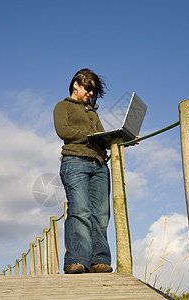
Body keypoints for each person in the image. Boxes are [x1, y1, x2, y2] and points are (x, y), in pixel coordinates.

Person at [53, 68, 113, 274]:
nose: (90, 93)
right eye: (88, 88)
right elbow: (63, 130)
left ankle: (99, 260)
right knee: (79, 211)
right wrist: (90, 135)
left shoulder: (93, 112)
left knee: (101, 214)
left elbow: (102, 137)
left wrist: (121, 139)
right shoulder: (63, 106)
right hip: (74, 162)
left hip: (99, 165)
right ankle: (77, 260)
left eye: (93, 91)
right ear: (76, 85)